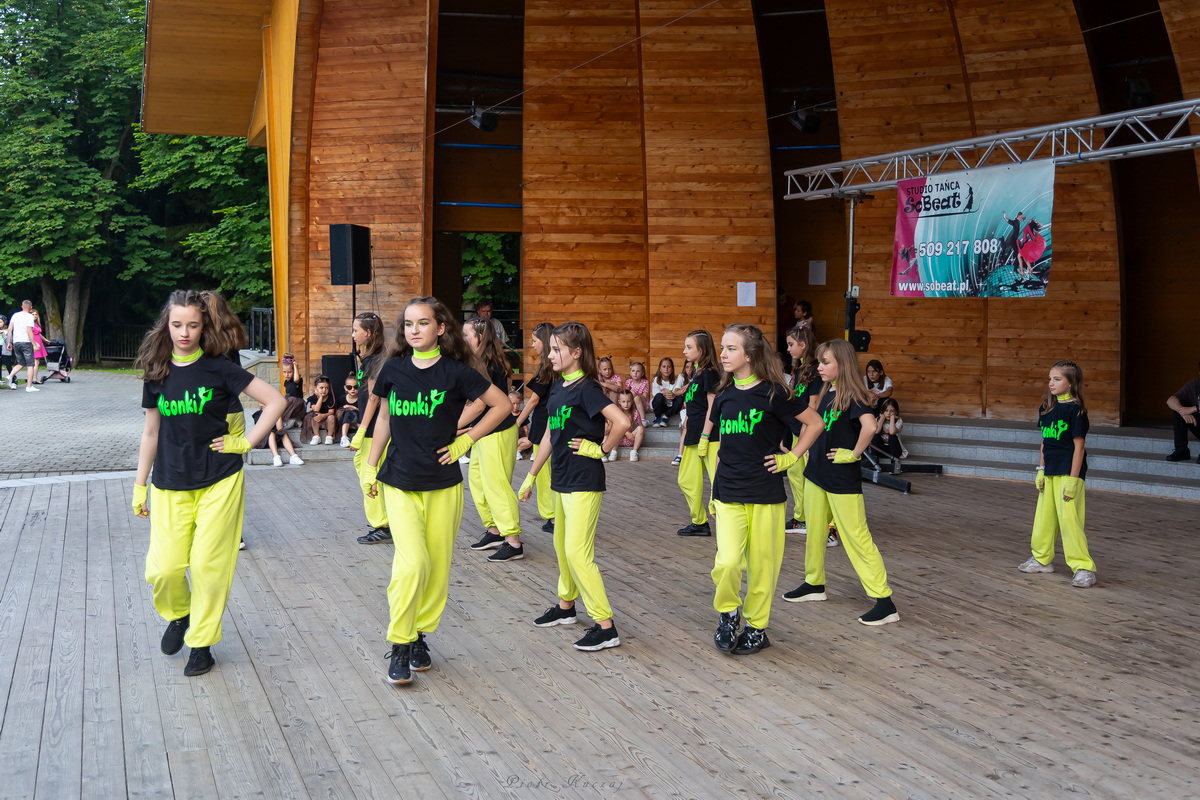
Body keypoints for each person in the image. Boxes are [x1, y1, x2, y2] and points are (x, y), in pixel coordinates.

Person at [132, 289, 287, 677]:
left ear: (204, 327)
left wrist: (246, 443)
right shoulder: (157, 371)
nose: (184, 332)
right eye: (177, 324)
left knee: (207, 566)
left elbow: (275, 401)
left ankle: (202, 643)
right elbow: (150, 433)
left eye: (193, 325)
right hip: (169, 483)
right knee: (163, 569)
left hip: (219, 479)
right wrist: (139, 485)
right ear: (166, 325)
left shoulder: (220, 368)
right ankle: (179, 614)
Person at [362, 296, 511, 685]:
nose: (413, 330)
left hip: (444, 484)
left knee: (437, 568)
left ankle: (419, 636)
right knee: (411, 564)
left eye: (423, 323)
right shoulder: (393, 368)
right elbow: (384, 418)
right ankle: (399, 642)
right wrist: (370, 464)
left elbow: (501, 406)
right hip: (400, 480)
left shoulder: (457, 373)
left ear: (440, 328)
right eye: (408, 323)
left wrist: (467, 439)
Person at [709, 323, 825, 655]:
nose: (724, 354)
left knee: (763, 565)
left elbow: (814, 423)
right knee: (728, 563)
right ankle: (728, 613)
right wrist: (713, 494)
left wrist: (792, 459)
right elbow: (722, 450)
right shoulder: (725, 395)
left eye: (731, 348)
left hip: (766, 494)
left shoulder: (776, 392)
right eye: (722, 347)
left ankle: (757, 628)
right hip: (729, 492)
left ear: (750, 353)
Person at [518, 321, 630, 652]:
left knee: (578, 553)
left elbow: (622, 422)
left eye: (556, 349)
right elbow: (552, 433)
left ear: (576, 352)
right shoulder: (558, 388)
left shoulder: (588, 388)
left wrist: (601, 449)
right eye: (550, 348)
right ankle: (566, 608)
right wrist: (532, 475)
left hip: (584, 479)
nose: (550, 355)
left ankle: (605, 625)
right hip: (562, 477)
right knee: (563, 549)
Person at [780, 339, 902, 626]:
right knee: (816, 531)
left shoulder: (854, 394)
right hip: (816, 474)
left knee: (856, 536)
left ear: (842, 364)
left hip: (841, 478)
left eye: (825, 362)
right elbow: (816, 426)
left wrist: (854, 454)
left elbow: (871, 427)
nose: (819, 367)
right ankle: (814, 584)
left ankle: (884, 601)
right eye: (820, 361)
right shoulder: (826, 392)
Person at [1018, 360, 1097, 588]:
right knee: (1044, 518)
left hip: (1068, 472)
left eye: (1057, 379)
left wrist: (1073, 480)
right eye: (1050, 378)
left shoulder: (1077, 412)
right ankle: (1042, 559)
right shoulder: (1046, 408)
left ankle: (1084, 567)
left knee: (1069, 521)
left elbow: (1079, 447)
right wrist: (1040, 470)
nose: (1051, 383)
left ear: (1071, 383)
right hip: (1050, 471)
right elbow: (1044, 441)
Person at [462, 315, 525, 562]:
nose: (463, 339)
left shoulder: (490, 365)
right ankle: (495, 530)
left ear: (480, 337)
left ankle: (513, 541)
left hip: (497, 432)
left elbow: (479, 405)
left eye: (467, 335)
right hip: (483, 432)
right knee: (478, 482)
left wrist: (450, 426)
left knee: (497, 486)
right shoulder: (479, 363)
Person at [348, 312, 390, 544]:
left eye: (356, 331)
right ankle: (383, 519)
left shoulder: (375, 359)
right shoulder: (371, 356)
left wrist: (361, 430)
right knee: (364, 469)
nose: (353, 335)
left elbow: (374, 398)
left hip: (375, 429)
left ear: (369, 333)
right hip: (372, 428)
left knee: (369, 475)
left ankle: (382, 524)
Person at [676, 330, 721, 537]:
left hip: (709, 436)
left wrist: (705, 436)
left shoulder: (710, 373)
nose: (684, 350)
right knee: (686, 479)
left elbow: (712, 406)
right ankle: (700, 522)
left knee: (717, 481)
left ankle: (724, 523)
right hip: (694, 433)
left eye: (689, 347)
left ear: (701, 349)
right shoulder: (697, 372)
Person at [514, 322, 557, 533]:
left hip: (543, 425)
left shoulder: (545, 368)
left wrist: (517, 423)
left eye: (535, 340)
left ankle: (552, 517)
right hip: (556, 423)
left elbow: (532, 401)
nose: (532, 345)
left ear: (545, 341)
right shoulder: (559, 366)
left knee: (544, 474)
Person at [784, 324, 821, 536]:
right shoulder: (799, 370)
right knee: (794, 472)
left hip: (809, 432)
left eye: (791, 344)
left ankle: (813, 518)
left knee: (807, 475)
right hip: (797, 430)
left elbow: (813, 405)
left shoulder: (815, 370)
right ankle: (801, 517)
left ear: (803, 344)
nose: (788, 349)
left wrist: (806, 438)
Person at [1165, 361, 1200, 463]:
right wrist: (1182, 412)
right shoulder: (1195, 385)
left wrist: (1193, 409)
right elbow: (1170, 400)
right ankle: (1181, 450)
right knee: (1178, 408)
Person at [252, 401, 304, 467]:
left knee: (283, 433)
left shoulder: (275, 413)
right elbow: (263, 428)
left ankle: (293, 456)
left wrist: (278, 415)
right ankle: (276, 457)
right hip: (264, 438)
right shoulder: (257, 414)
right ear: (260, 404)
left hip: (275, 438)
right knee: (271, 433)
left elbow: (280, 428)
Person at [7, 299, 38, 391]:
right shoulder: (29, 317)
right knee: (30, 364)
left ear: (22, 306)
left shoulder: (15, 315)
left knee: (21, 362)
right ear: (31, 307)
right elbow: (29, 331)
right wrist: (34, 344)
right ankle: (29, 386)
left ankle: (10, 376)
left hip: (16, 342)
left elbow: (9, 329)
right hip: (26, 342)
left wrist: (9, 342)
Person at [872, 398, 906, 474]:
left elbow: (892, 432)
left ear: (896, 412)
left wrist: (892, 418)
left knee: (892, 436)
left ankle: (894, 465)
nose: (888, 413)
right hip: (881, 449)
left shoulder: (899, 421)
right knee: (876, 436)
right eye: (886, 411)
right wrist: (881, 419)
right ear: (882, 411)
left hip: (894, 450)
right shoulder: (878, 419)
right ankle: (874, 463)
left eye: (892, 411)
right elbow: (876, 431)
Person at [650, 356, 685, 427]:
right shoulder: (656, 380)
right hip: (660, 405)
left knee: (680, 398)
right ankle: (657, 417)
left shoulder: (676, 380)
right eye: (664, 366)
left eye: (669, 367)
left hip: (671, 406)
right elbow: (655, 396)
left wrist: (674, 394)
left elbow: (677, 392)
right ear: (660, 369)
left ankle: (665, 417)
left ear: (672, 369)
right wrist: (664, 395)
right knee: (659, 396)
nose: (666, 369)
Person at [304, 376, 339, 445]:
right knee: (314, 416)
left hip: (328, 419)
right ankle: (316, 436)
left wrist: (323, 415)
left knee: (331, 417)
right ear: (315, 388)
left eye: (326, 388)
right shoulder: (313, 398)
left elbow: (331, 412)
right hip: (317, 420)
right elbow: (316, 409)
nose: (324, 390)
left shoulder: (331, 398)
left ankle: (329, 436)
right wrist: (320, 397)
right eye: (321, 388)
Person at [615, 389, 644, 461]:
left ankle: (634, 452)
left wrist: (635, 434)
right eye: (623, 402)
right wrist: (626, 432)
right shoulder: (616, 412)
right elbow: (613, 426)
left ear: (632, 402)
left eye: (628, 401)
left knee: (641, 428)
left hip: (630, 438)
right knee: (614, 428)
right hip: (617, 440)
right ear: (619, 402)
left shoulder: (635, 412)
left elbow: (640, 426)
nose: (626, 404)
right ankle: (613, 452)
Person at [280, 356, 307, 429]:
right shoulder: (286, 382)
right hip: (290, 404)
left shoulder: (296, 380)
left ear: (294, 371)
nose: (287, 374)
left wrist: (295, 367)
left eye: (289, 372)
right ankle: (293, 421)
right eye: (284, 372)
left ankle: (287, 422)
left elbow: (296, 379)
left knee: (289, 401)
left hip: (297, 404)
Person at [338, 375, 361, 446]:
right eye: (349, 387)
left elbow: (363, 411)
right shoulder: (342, 399)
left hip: (357, 421)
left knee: (353, 412)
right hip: (344, 422)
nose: (353, 389)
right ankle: (344, 437)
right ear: (345, 388)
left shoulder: (361, 399)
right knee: (348, 413)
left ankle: (360, 436)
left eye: (355, 387)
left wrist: (352, 407)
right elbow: (337, 412)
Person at [29, 310, 48, 386]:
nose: (35, 316)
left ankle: (34, 378)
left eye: (36, 314)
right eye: (33, 314)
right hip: (34, 342)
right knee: (35, 362)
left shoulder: (36, 324)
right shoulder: (30, 324)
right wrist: (33, 343)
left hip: (39, 341)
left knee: (37, 362)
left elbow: (39, 334)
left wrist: (45, 340)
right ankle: (34, 378)